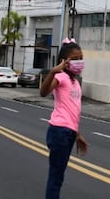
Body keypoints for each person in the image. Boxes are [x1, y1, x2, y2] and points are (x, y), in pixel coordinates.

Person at [40, 39, 88, 199]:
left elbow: (72, 112)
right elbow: (43, 92)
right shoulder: (60, 77)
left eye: (81, 58)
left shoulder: (75, 82)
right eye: (74, 59)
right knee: (56, 176)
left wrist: (77, 134)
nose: (79, 62)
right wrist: (53, 72)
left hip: (68, 132)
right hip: (59, 131)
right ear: (64, 61)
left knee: (58, 176)